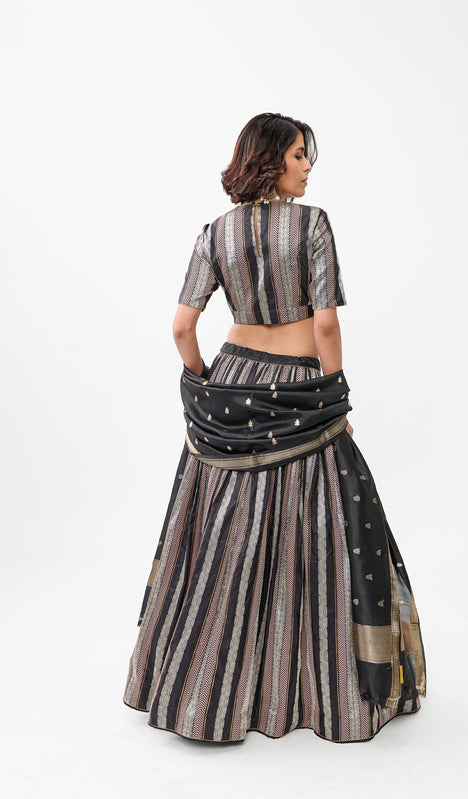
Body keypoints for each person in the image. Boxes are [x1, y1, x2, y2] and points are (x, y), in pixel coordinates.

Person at [123, 112, 426, 744]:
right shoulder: (312, 225)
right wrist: (332, 395)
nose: (307, 166)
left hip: (231, 382)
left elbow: (181, 327)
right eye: (297, 155)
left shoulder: (215, 233)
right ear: (269, 160)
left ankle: (202, 690)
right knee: (314, 532)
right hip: (299, 388)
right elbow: (325, 324)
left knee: (224, 536)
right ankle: (312, 689)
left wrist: (207, 382)